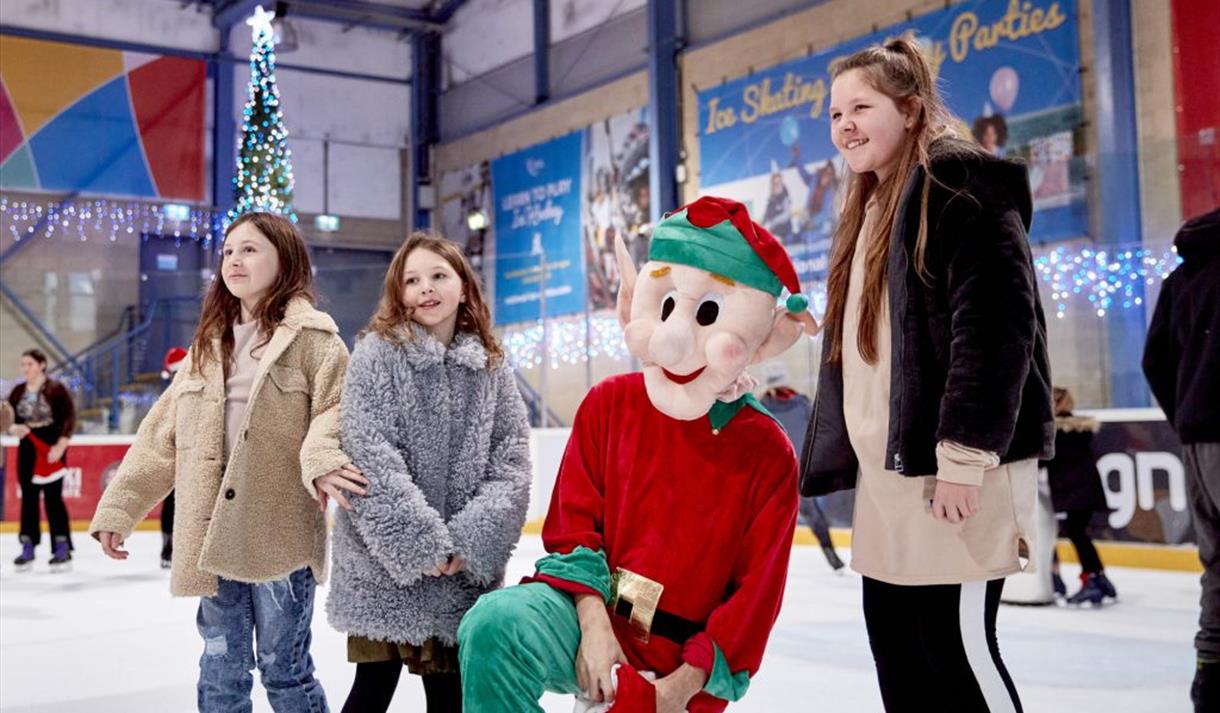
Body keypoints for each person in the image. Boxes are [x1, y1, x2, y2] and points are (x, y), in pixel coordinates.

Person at [458, 195, 817, 713]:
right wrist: (594, 623)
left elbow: (752, 601)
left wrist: (674, 691)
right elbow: (574, 527)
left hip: (681, 665)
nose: (673, 339)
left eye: (708, 313)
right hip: (588, 615)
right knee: (495, 625)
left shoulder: (767, 452)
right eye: (667, 305)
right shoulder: (611, 404)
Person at [799, 34, 1053, 713]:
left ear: (910, 110)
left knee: (957, 650)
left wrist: (966, 457)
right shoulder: (869, 206)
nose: (844, 125)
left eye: (861, 107)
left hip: (954, 470)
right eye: (834, 113)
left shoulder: (957, 184)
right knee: (900, 653)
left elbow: (998, 330)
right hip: (891, 480)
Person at [89, 211, 367, 713]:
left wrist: (323, 457)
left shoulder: (315, 341)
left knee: (286, 670)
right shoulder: (206, 348)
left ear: (284, 259)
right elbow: (161, 438)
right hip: (212, 536)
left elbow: (336, 411)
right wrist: (119, 509)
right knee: (220, 670)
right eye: (228, 252)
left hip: (279, 533)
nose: (234, 260)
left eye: (250, 249)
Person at [326, 233, 532, 713]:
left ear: (464, 286)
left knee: (450, 695)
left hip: (459, 574)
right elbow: (368, 449)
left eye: (439, 275)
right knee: (371, 689)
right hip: (382, 567)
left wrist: (467, 542)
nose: (426, 288)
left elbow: (511, 462)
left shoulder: (491, 368)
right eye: (412, 280)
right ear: (398, 293)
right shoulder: (377, 354)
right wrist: (420, 543)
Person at [1142, 206, 1220, 712]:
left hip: (1199, 440)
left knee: (1218, 563)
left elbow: (1154, 360)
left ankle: (1210, 682)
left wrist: (1190, 419)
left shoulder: (1184, 276)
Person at [759, 362, 846, 572]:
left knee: (770, 518)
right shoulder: (802, 404)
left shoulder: (764, 407)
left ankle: (765, 563)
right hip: (796, 471)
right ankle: (830, 554)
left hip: (779, 473)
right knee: (810, 513)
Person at [1041, 387, 1116, 606]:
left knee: (1077, 534)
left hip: (1075, 492)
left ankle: (1093, 579)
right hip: (1086, 490)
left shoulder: (1058, 433)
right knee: (1079, 533)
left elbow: (1047, 460)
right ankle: (1098, 577)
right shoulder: (1077, 429)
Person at [7, 348, 76, 572]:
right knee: (28, 497)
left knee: (53, 499)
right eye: (23, 365)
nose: (25, 368)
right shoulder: (18, 391)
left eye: (30, 364)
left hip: (51, 444)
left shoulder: (56, 390)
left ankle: (61, 546)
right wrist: (13, 429)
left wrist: (61, 444)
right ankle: (28, 545)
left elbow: (68, 417)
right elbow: (10, 419)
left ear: (42, 365)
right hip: (28, 446)